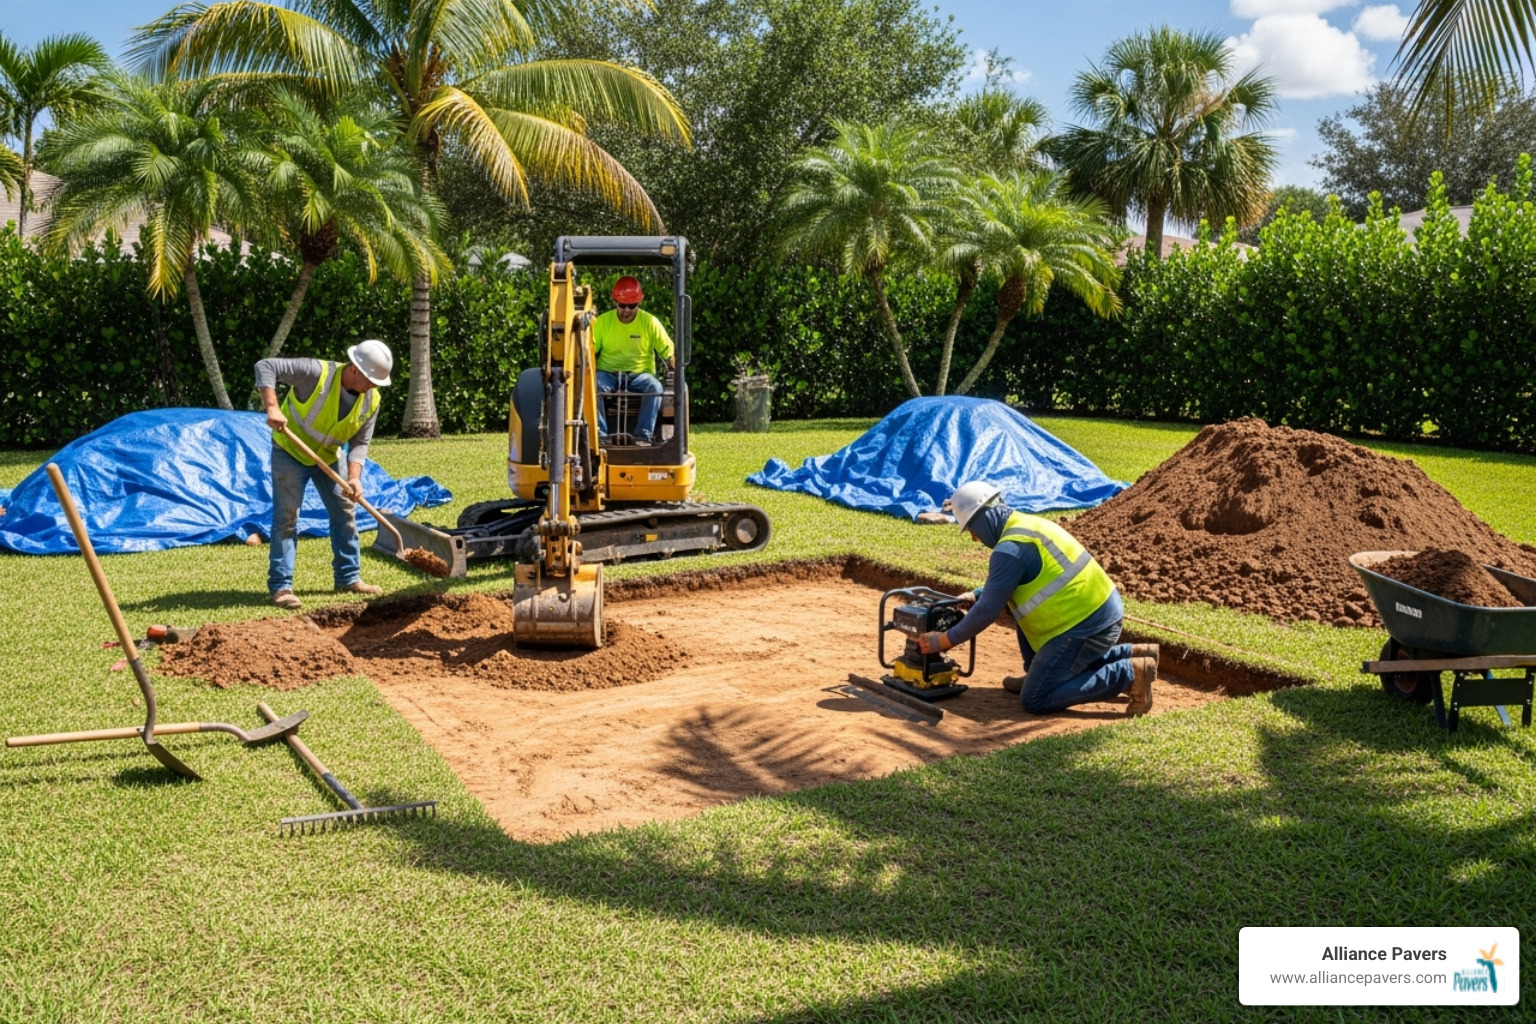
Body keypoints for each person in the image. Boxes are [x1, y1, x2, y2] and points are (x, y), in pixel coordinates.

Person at [916, 481, 1159, 716]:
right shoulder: (1025, 525)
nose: (974, 538)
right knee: (1043, 647)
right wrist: (976, 594)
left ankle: (1130, 673)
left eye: (971, 530)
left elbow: (987, 611)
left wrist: (944, 641)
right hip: (1094, 611)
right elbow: (1011, 582)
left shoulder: (1010, 548)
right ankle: (1134, 653)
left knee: (1035, 698)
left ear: (983, 518)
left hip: (1085, 625)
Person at [256, 340, 393, 609]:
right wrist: (272, 407)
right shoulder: (315, 373)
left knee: (345, 512)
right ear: (354, 368)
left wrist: (354, 478)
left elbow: (360, 444)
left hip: (329, 457)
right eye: (370, 379)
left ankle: (348, 577)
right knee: (287, 516)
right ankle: (281, 586)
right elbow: (265, 366)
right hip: (289, 452)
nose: (374, 386)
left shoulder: (371, 401)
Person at [593, 276, 674, 445]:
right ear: (615, 302)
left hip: (639, 376)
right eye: (622, 305)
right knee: (593, 386)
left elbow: (669, 351)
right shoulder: (602, 322)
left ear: (639, 303)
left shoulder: (650, 322)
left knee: (655, 387)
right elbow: (588, 352)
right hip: (608, 374)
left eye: (632, 306)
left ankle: (643, 436)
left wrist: (674, 365)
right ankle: (600, 436)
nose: (627, 310)